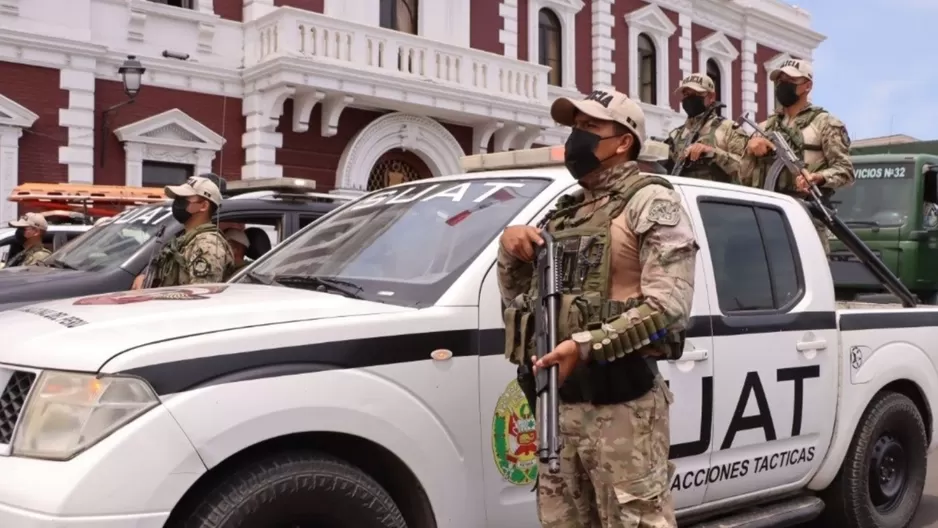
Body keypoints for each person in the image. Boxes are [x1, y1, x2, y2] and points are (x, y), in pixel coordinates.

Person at [498, 89, 698, 528]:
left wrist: (583, 347)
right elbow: (518, 301)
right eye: (575, 127)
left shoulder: (651, 202)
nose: (577, 138)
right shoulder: (563, 214)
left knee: (636, 520)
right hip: (558, 408)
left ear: (624, 141)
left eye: (590, 127)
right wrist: (509, 250)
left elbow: (669, 307)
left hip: (621, 407)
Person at [739, 58, 854, 253]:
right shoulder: (766, 126)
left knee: (809, 274)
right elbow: (743, 176)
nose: (783, 85)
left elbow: (846, 172)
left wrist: (818, 178)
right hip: (766, 213)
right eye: (780, 81)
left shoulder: (825, 123)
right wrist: (750, 149)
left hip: (806, 212)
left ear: (807, 86)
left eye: (790, 81)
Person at [134, 176, 233, 288]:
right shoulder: (184, 239)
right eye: (177, 199)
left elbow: (200, 296)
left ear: (204, 206)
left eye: (183, 199)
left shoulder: (207, 245)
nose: (177, 203)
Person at [665, 73, 748, 183]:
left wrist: (712, 152)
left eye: (696, 93)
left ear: (711, 97)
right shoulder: (676, 135)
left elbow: (745, 170)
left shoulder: (729, 129)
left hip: (716, 197)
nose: (689, 98)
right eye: (685, 94)